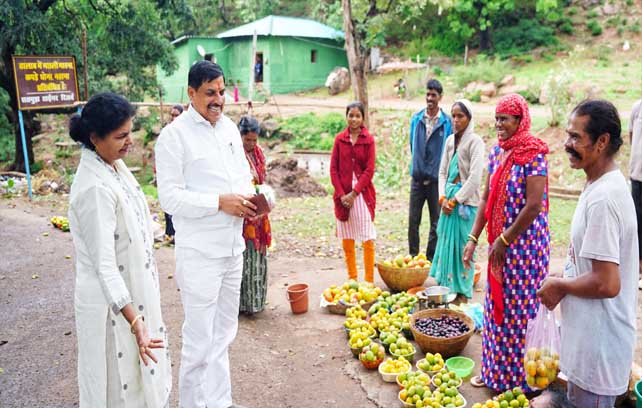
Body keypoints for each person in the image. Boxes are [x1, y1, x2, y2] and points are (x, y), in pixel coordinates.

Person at [155, 61, 255, 408]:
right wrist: (218, 202)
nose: (218, 99)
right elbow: (169, 198)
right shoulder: (174, 136)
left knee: (224, 335)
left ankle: (220, 402)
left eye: (222, 92)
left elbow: (243, 177)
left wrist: (252, 199)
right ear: (191, 93)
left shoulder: (228, 128)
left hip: (232, 249)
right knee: (199, 341)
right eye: (210, 92)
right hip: (199, 254)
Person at [68, 92, 171, 407]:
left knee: (140, 381)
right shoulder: (94, 188)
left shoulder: (113, 166)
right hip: (110, 306)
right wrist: (135, 321)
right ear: (94, 138)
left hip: (132, 297)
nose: (130, 142)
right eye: (121, 136)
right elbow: (105, 265)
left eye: (130, 132)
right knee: (117, 386)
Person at [538, 99, 638, 407]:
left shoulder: (604, 199)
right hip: (588, 345)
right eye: (568, 135)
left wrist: (561, 286)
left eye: (575, 137)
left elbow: (607, 283)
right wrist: (568, 274)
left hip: (599, 352)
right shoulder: (598, 185)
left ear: (602, 141)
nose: (566, 144)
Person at [462, 93, 550, 391]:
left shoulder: (533, 154)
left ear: (520, 120)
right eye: (496, 118)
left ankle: (521, 382)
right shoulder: (497, 153)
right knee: (496, 309)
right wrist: (473, 238)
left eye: (505, 119)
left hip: (526, 250)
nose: (499, 124)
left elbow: (534, 205)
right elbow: (485, 198)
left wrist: (504, 239)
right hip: (499, 247)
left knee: (520, 313)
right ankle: (494, 374)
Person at [430, 99, 485, 300]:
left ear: (469, 118)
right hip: (447, 203)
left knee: (463, 249)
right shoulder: (449, 141)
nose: (455, 120)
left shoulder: (475, 142)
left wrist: (456, 200)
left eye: (460, 116)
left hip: (465, 206)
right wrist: (442, 198)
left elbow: (475, 178)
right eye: (453, 116)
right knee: (446, 244)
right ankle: (445, 290)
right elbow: (442, 172)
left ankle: (461, 294)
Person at [330, 101, 377, 282]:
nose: (354, 119)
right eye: (351, 115)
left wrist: (354, 193)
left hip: (362, 195)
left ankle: (369, 281)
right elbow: (333, 169)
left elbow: (369, 170)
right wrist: (342, 195)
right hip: (343, 196)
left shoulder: (368, 140)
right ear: (346, 117)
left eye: (358, 116)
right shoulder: (339, 139)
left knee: (367, 237)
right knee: (347, 237)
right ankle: (352, 279)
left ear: (363, 118)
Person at [408, 79, 452, 260]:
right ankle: (413, 257)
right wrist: (419, 167)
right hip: (417, 180)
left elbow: (450, 150)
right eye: (428, 94)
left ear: (440, 97)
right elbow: (413, 146)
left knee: (436, 222)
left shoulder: (446, 122)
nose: (430, 98)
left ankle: (430, 260)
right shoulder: (416, 119)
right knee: (413, 221)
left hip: (436, 182)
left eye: (434, 95)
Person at [238, 116, 272, 314]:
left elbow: (262, 179)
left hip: (259, 212)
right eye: (247, 140)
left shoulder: (259, 154)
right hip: (242, 212)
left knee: (258, 256)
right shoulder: (235, 155)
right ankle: (244, 303)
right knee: (245, 256)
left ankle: (257, 301)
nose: (251, 144)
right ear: (240, 136)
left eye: (254, 140)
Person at [162, 104, 184, 242]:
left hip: (181, 175)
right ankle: (170, 234)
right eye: (172, 115)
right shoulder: (167, 132)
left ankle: (178, 234)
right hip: (168, 173)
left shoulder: (185, 133)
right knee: (168, 205)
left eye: (177, 115)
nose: (174, 118)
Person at [628, 98, 642, 290]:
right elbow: (632, 137)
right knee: (637, 221)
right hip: (637, 175)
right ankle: (637, 267)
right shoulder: (637, 108)